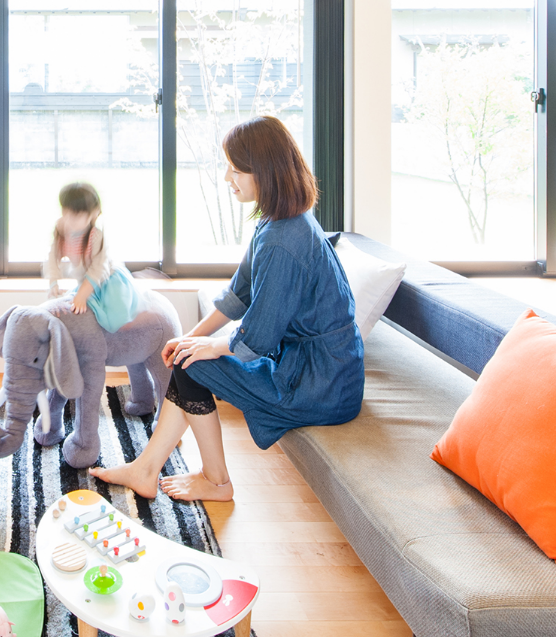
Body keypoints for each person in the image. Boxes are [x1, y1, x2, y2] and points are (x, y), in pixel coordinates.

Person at [90, 116, 365, 502]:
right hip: (316, 368)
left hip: (320, 383)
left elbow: (261, 334)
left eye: (236, 169)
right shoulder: (278, 223)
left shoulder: (284, 240)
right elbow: (238, 296)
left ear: (265, 173)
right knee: (188, 355)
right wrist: (192, 337)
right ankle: (146, 469)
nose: (227, 178)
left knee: (192, 363)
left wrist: (208, 348)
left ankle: (215, 481)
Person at [43, 182, 141, 332]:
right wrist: (53, 282)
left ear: (93, 214)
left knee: (116, 320)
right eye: (67, 212)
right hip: (86, 281)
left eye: (77, 215)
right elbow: (52, 258)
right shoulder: (61, 229)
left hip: (108, 281)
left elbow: (98, 270)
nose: (70, 219)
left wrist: (82, 295)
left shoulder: (95, 236)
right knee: (69, 306)